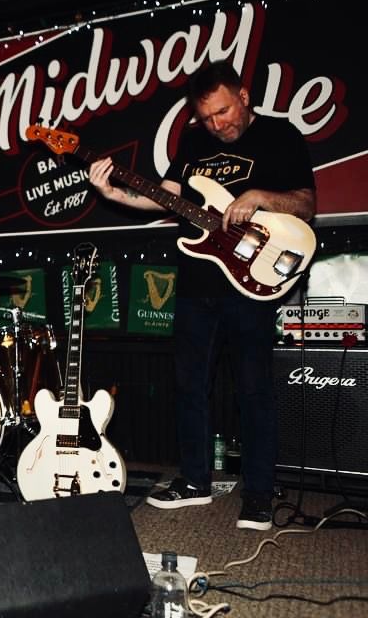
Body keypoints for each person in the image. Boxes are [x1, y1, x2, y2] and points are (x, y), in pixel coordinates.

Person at [88, 60, 315, 530]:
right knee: (189, 386)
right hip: (197, 283)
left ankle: (258, 494)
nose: (217, 124)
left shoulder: (280, 136)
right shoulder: (193, 142)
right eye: (207, 117)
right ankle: (195, 481)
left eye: (224, 112)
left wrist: (258, 197)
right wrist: (114, 194)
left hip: (250, 282)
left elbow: (306, 205)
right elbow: (164, 195)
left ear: (244, 97)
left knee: (253, 389)